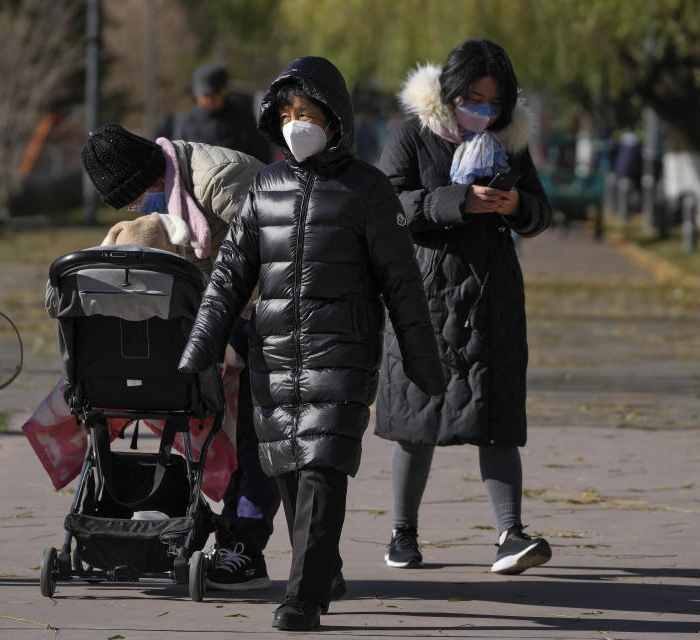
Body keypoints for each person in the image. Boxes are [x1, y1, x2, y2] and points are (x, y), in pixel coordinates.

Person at [179, 56, 446, 631]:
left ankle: (303, 597)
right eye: (287, 114)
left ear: (335, 118)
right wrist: (199, 346)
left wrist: (425, 363)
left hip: (340, 355)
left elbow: (402, 283)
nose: (296, 123)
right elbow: (229, 276)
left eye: (308, 113)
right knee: (289, 473)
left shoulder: (369, 191)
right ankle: (324, 569)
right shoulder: (264, 188)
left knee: (322, 471)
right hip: (271, 360)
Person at [375, 39, 553, 575]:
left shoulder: (510, 145)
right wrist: (456, 202)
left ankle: (510, 533)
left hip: (492, 296)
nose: (483, 110)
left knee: (496, 414)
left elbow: (543, 212)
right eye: (473, 98)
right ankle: (402, 535)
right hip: (424, 297)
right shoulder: (411, 136)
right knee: (416, 417)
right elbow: (388, 208)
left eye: (494, 103)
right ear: (450, 92)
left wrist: (519, 205)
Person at [81, 124, 282, 591]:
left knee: (255, 435)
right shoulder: (166, 188)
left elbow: (268, 251)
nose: (133, 206)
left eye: (127, 195)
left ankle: (246, 548)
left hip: (261, 313)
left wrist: (224, 324)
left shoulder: (219, 177)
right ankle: (223, 528)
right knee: (221, 428)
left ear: (139, 177)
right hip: (225, 312)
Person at [173, 63, 271, 162]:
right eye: (204, 96)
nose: (209, 101)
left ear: (225, 90)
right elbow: (178, 158)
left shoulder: (241, 115)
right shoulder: (186, 121)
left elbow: (260, 153)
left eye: (213, 95)